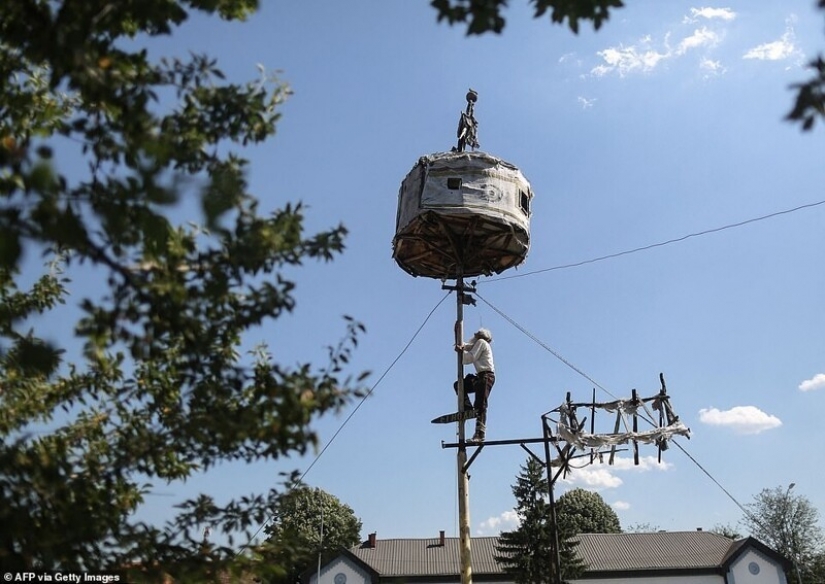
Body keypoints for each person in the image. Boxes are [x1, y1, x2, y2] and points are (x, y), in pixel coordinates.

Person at [454, 328, 495, 442]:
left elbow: (470, 358)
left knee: (480, 404)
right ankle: (467, 408)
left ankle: (480, 434)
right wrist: (460, 345)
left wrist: (461, 351)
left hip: (486, 376)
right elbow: (467, 346)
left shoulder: (481, 343)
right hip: (480, 376)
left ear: (479, 336)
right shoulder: (478, 344)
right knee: (459, 385)